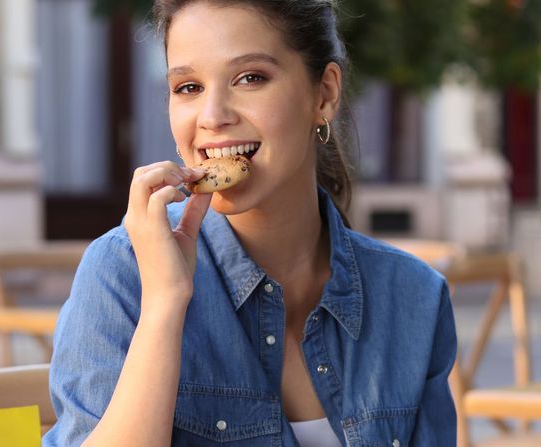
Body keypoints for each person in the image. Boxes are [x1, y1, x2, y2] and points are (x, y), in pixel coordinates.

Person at [44, 0, 458, 445]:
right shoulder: (123, 272)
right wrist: (164, 304)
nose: (212, 116)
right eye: (187, 87)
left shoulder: (415, 298)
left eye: (250, 78)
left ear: (324, 95)